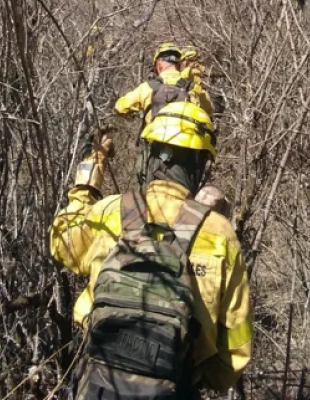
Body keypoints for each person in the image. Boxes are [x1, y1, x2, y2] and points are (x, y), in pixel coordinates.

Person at [50, 102, 252, 399]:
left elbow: (61, 244)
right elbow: (236, 347)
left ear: (149, 155)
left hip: (97, 384)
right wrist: (199, 379)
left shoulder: (109, 211)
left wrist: (86, 187)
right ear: (200, 165)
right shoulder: (220, 234)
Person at [114, 42, 214, 125]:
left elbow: (120, 108)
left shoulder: (147, 87)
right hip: (189, 144)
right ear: (179, 65)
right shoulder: (194, 88)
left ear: (159, 64)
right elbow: (209, 112)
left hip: (159, 144)